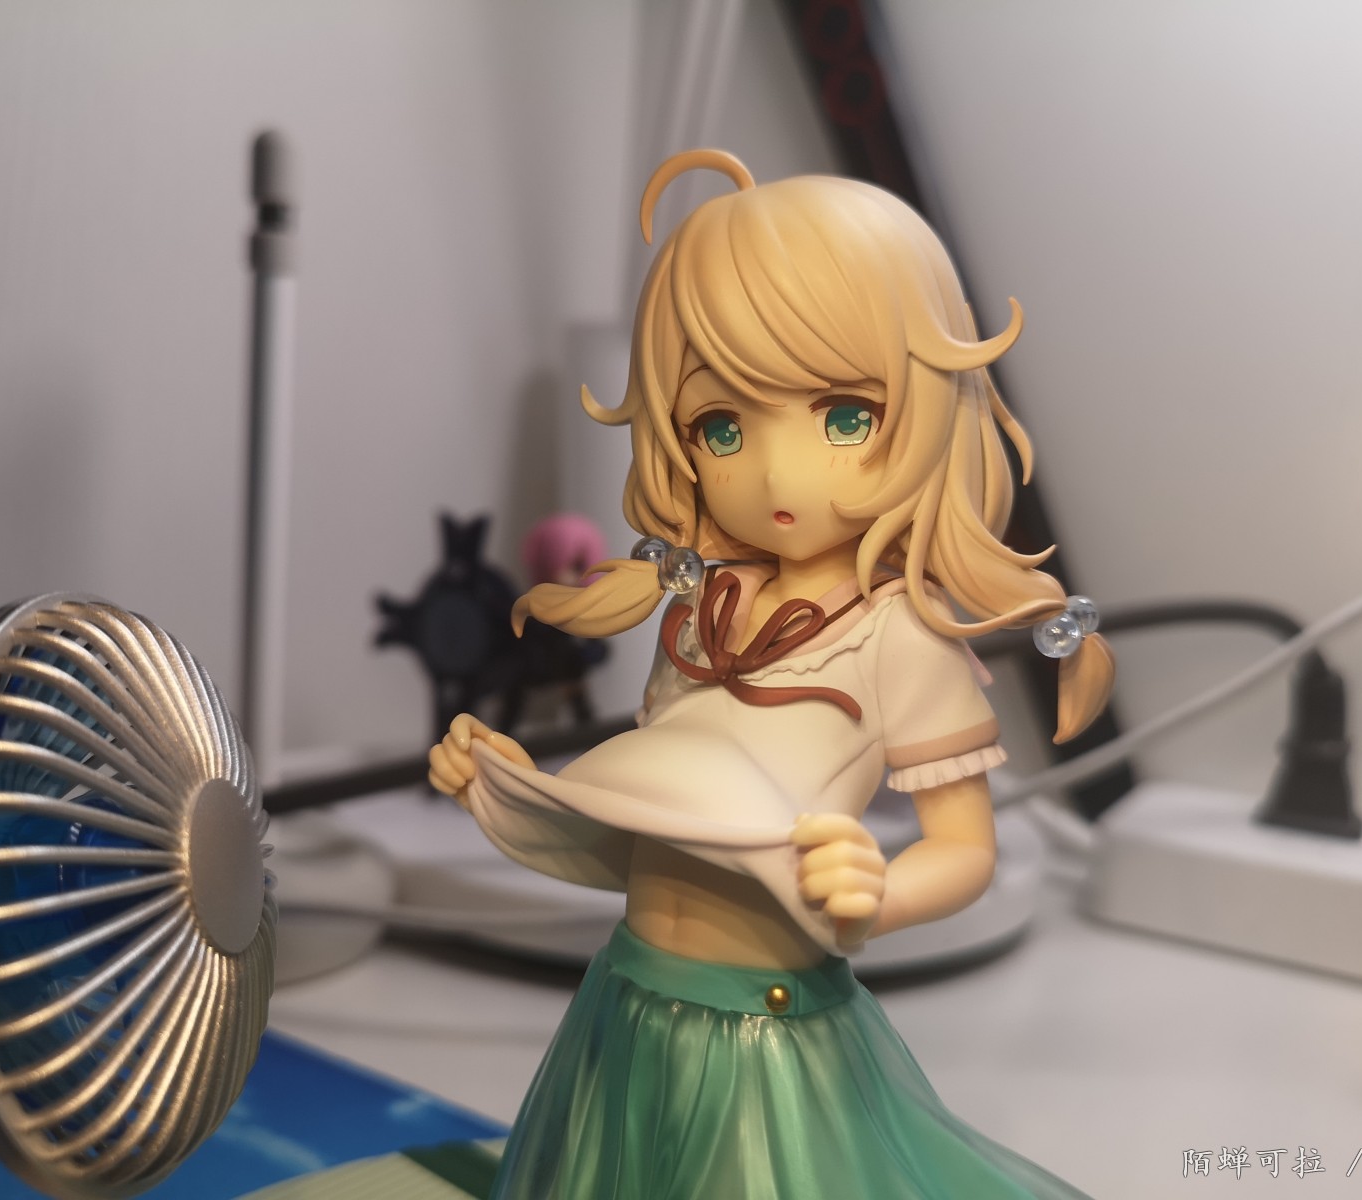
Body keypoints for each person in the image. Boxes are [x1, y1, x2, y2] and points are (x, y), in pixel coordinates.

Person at [428, 148, 1113, 1199]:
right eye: (722, 426)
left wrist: (878, 893)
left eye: (845, 417)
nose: (777, 472)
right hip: (624, 1003)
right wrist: (513, 792)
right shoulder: (699, 611)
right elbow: (661, 818)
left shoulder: (900, 635)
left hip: (766, 1032)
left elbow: (965, 851)